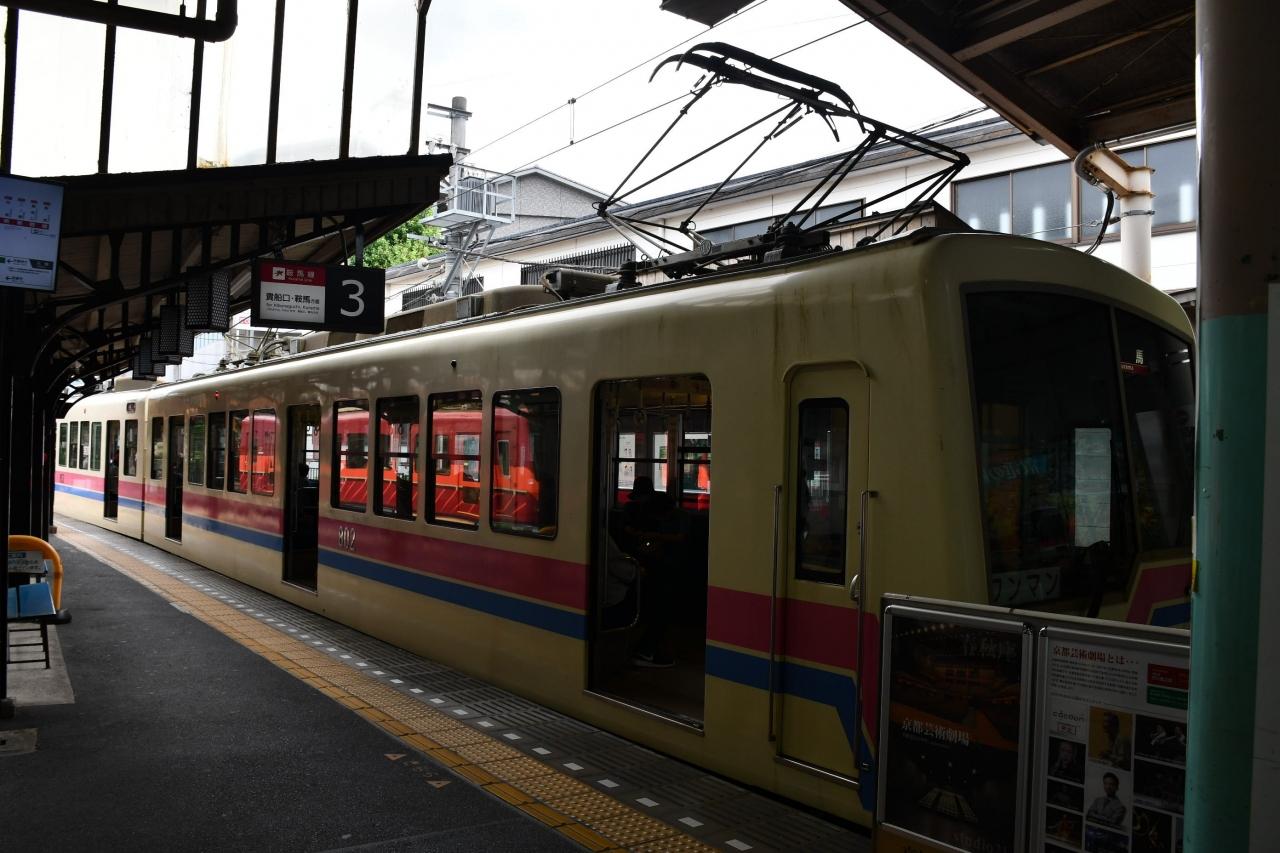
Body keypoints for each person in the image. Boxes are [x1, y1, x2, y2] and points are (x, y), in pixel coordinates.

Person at [621, 476, 684, 668]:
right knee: (659, 607)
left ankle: (645, 647)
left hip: (655, 564)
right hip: (659, 565)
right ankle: (648, 649)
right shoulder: (663, 511)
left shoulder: (642, 511)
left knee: (656, 606)